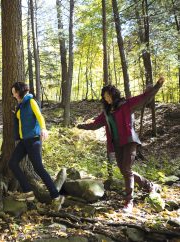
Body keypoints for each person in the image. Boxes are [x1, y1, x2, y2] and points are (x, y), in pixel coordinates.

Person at [77, 77, 165, 213]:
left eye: (108, 95)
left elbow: (143, 98)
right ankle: (149, 185)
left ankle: (129, 202)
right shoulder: (106, 112)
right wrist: (81, 126)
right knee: (125, 170)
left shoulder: (126, 104)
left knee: (126, 169)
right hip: (116, 144)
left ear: (114, 94)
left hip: (129, 141)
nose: (107, 98)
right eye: (104, 97)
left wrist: (157, 86)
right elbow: (95, 124)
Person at [9, 82, 64, 211]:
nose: (13, 94)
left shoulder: (31, 102)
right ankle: (28, 191)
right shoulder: (21, 105)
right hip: (24, 141)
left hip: (33, 140)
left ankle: (56, 196)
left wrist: (43, 129)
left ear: (19, 91)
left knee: (38, 168)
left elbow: (40, 116)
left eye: (14, 92)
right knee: (12, 163)